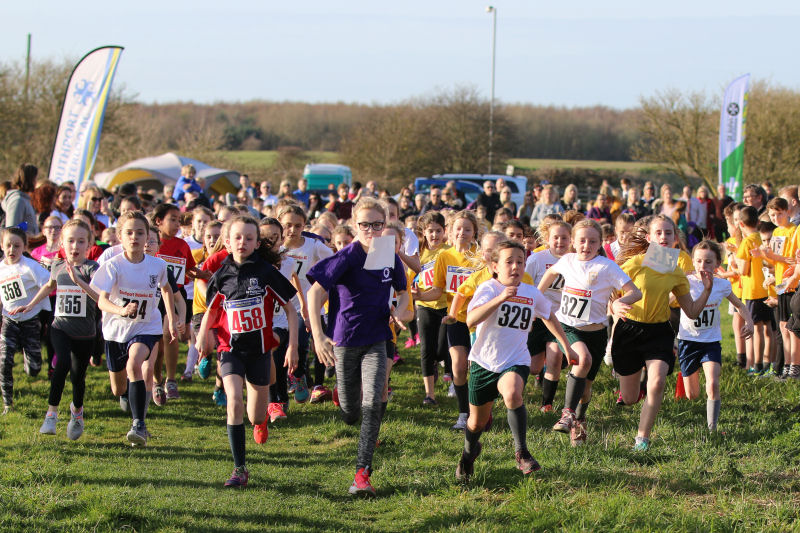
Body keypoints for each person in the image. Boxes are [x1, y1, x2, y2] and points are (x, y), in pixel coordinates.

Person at [307, 197, 409, 497]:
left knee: (373, 401)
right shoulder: (346, 256)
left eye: (378, 225)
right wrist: (317, 334)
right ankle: (342, 396)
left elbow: (403, 292)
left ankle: (362, 473)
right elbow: (314, 295)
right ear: (354, 225)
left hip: (378, 337)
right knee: (351, 411)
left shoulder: (388, 254)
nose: (371, 230)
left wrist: (399, 310)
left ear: (384, 225)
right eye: (365, 224)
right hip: (345, 339)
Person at [455, 241, 577, 481]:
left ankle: (522, 452)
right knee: (476, 423)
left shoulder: (531, 293)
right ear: (494, 266)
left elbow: (549, 316)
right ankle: (469, 454)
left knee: (512, 393)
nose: (515, 267)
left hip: (515, 359)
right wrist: (500, 298)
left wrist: (566, 346)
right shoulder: (488, 289)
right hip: (483, 363)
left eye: (520, 262)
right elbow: (471, 320)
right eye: (509, 262)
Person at [197, 215, 298, 487]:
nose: (242, 242)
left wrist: (293, 347)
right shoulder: (221, 275)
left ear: (256, 243)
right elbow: (211, 310)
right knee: (233, 402)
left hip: (260, 351)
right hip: (229, 348)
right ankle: (239, 469)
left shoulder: (265, 272)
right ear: (227, 242)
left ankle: (261, 421)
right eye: (237, 237)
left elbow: (290, 309)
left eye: (249, 238)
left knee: (254, 414)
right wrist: (201, 336)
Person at [612, 215, 713, 451]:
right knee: (629, 397)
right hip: (629, 329)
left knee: (656, 383)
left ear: (675, 238)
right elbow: (611, 291)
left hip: (658, 331)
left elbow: (691, 310)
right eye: (658, 233)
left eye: (668, 233)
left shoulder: (676, 271)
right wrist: (614, 306)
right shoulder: (635, 263)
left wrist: (706, 291)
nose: (664, 237)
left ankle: (642, 439)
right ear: (649, 238)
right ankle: (632, 395)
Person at [538, 219, 641, 446]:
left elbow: (636, 292)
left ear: (599, 243)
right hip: (569, 327)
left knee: (586, 389)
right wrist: (536, 295)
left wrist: (619, 303)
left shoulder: (607, 266)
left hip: (597, 332)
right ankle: (567, 414)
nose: (586, 245)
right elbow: (550, 273)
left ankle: (579, 420)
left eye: (592, 241)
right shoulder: (567, 260)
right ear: (573, 242)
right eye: (581, 240)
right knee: (582, 360)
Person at [90, 212, 178, 446]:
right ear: (120, 237)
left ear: (148, 236)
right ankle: (131, 395)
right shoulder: (112, 266)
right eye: (129, 233)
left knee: (134, 363)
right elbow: (101, 301)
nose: (135, 237)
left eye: (141, 233)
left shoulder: (157, 265)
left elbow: (167, 289)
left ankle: (138, 424)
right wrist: (121, 311)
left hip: (146, 326)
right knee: (118, 389)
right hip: (116, 330)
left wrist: (170, 317)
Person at [17, 220, 100, 440]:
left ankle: (77, 413)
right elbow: (49, 286)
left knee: (78, 377)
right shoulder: (58, 266)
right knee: (61, 363)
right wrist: (31, 304)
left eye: (80, 241)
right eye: (70, 241)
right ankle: (51, 414)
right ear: (62, 243)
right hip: (60, 327)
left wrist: (80, 282)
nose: (75, 246)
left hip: (85, 333)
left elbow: (100, 298)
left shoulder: (93, 268)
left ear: (88, 244)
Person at [678, 240, 754, 430]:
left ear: (718, 264)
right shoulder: (685, 283)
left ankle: (712, 428)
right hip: (688, 341)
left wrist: (750, 322)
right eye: (699, 261)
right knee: (692, 394)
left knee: (712, 384)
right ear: (693, 262)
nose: (703, 266)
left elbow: (740, 305)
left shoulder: (722, 284)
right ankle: (685, 377)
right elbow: (668, 300)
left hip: (710, 342)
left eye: (708, 262)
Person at [418, 210, 483, 430]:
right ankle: (464, 413)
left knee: (479, 368)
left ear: (474, 232)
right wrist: (416, 296)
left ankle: (482, 410)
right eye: (458, 229)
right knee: (458, 365)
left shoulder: (481, 256)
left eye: (467, 229)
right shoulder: (444, 257)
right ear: (449, 232)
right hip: (455, 319)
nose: (462, 233)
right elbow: (437, 291)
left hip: (480, 320)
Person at [276, 203, 334, 415]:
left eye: (297, 225)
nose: (292, 230)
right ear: (280, 224)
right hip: (284, 305)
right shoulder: (276, 247)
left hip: (312, 302)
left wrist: (322, 291)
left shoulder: (313, 245)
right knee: (296, 344)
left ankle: (316, 384)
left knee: (317, 341)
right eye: (288, 225)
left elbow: (335, 263)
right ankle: (298, 376)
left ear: (304, 226)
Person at [0, 227, 51, 413]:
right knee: (4, 362)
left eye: (16, 246)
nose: (12, 250)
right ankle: (8, 404)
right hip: (9, 320)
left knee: (34, 369)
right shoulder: (1, 268)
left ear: (24, 247)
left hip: (30, 321)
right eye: (8, 245)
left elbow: (49, 284)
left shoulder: (30, 266)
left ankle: (29, 359)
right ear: (1, 246)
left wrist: (32, 304)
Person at [151, 203, 197, 403]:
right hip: (153, 298)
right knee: (156, 345)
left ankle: (170, 379)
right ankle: (156, 380)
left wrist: (207, 275)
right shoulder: (150, 241)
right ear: (158, 221)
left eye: (179, 220)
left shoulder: (182, 245)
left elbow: (190, 270)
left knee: (171, 335)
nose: (178, 224)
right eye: (173, 219)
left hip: (176, 295)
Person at [412, 212, 451, 404]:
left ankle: (438, 362)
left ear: (444, 231)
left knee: (443, 349)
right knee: (426, 350)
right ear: (424, 232)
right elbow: (410, 275)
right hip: (424, 305)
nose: (434, 235)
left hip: (445, 305)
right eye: (430, 231)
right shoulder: (418, 252)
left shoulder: (448, 251)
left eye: (438, 231)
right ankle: (430, 394)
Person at [733, 206, 773, 375]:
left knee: (756, 329)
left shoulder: (746, 243)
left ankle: (756, 365)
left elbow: (743, 270)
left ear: (741, 224)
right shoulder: (762, 238)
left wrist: (735, 258)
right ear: (758, 222)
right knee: (769, 329)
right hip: (768, 288)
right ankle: (768, 362)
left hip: (752, 291)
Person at [3, 164, 39, 234]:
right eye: (35, 179)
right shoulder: (18, 201)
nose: (36, 182)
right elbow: (12, 229)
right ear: (29, 179)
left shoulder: (25, 200)